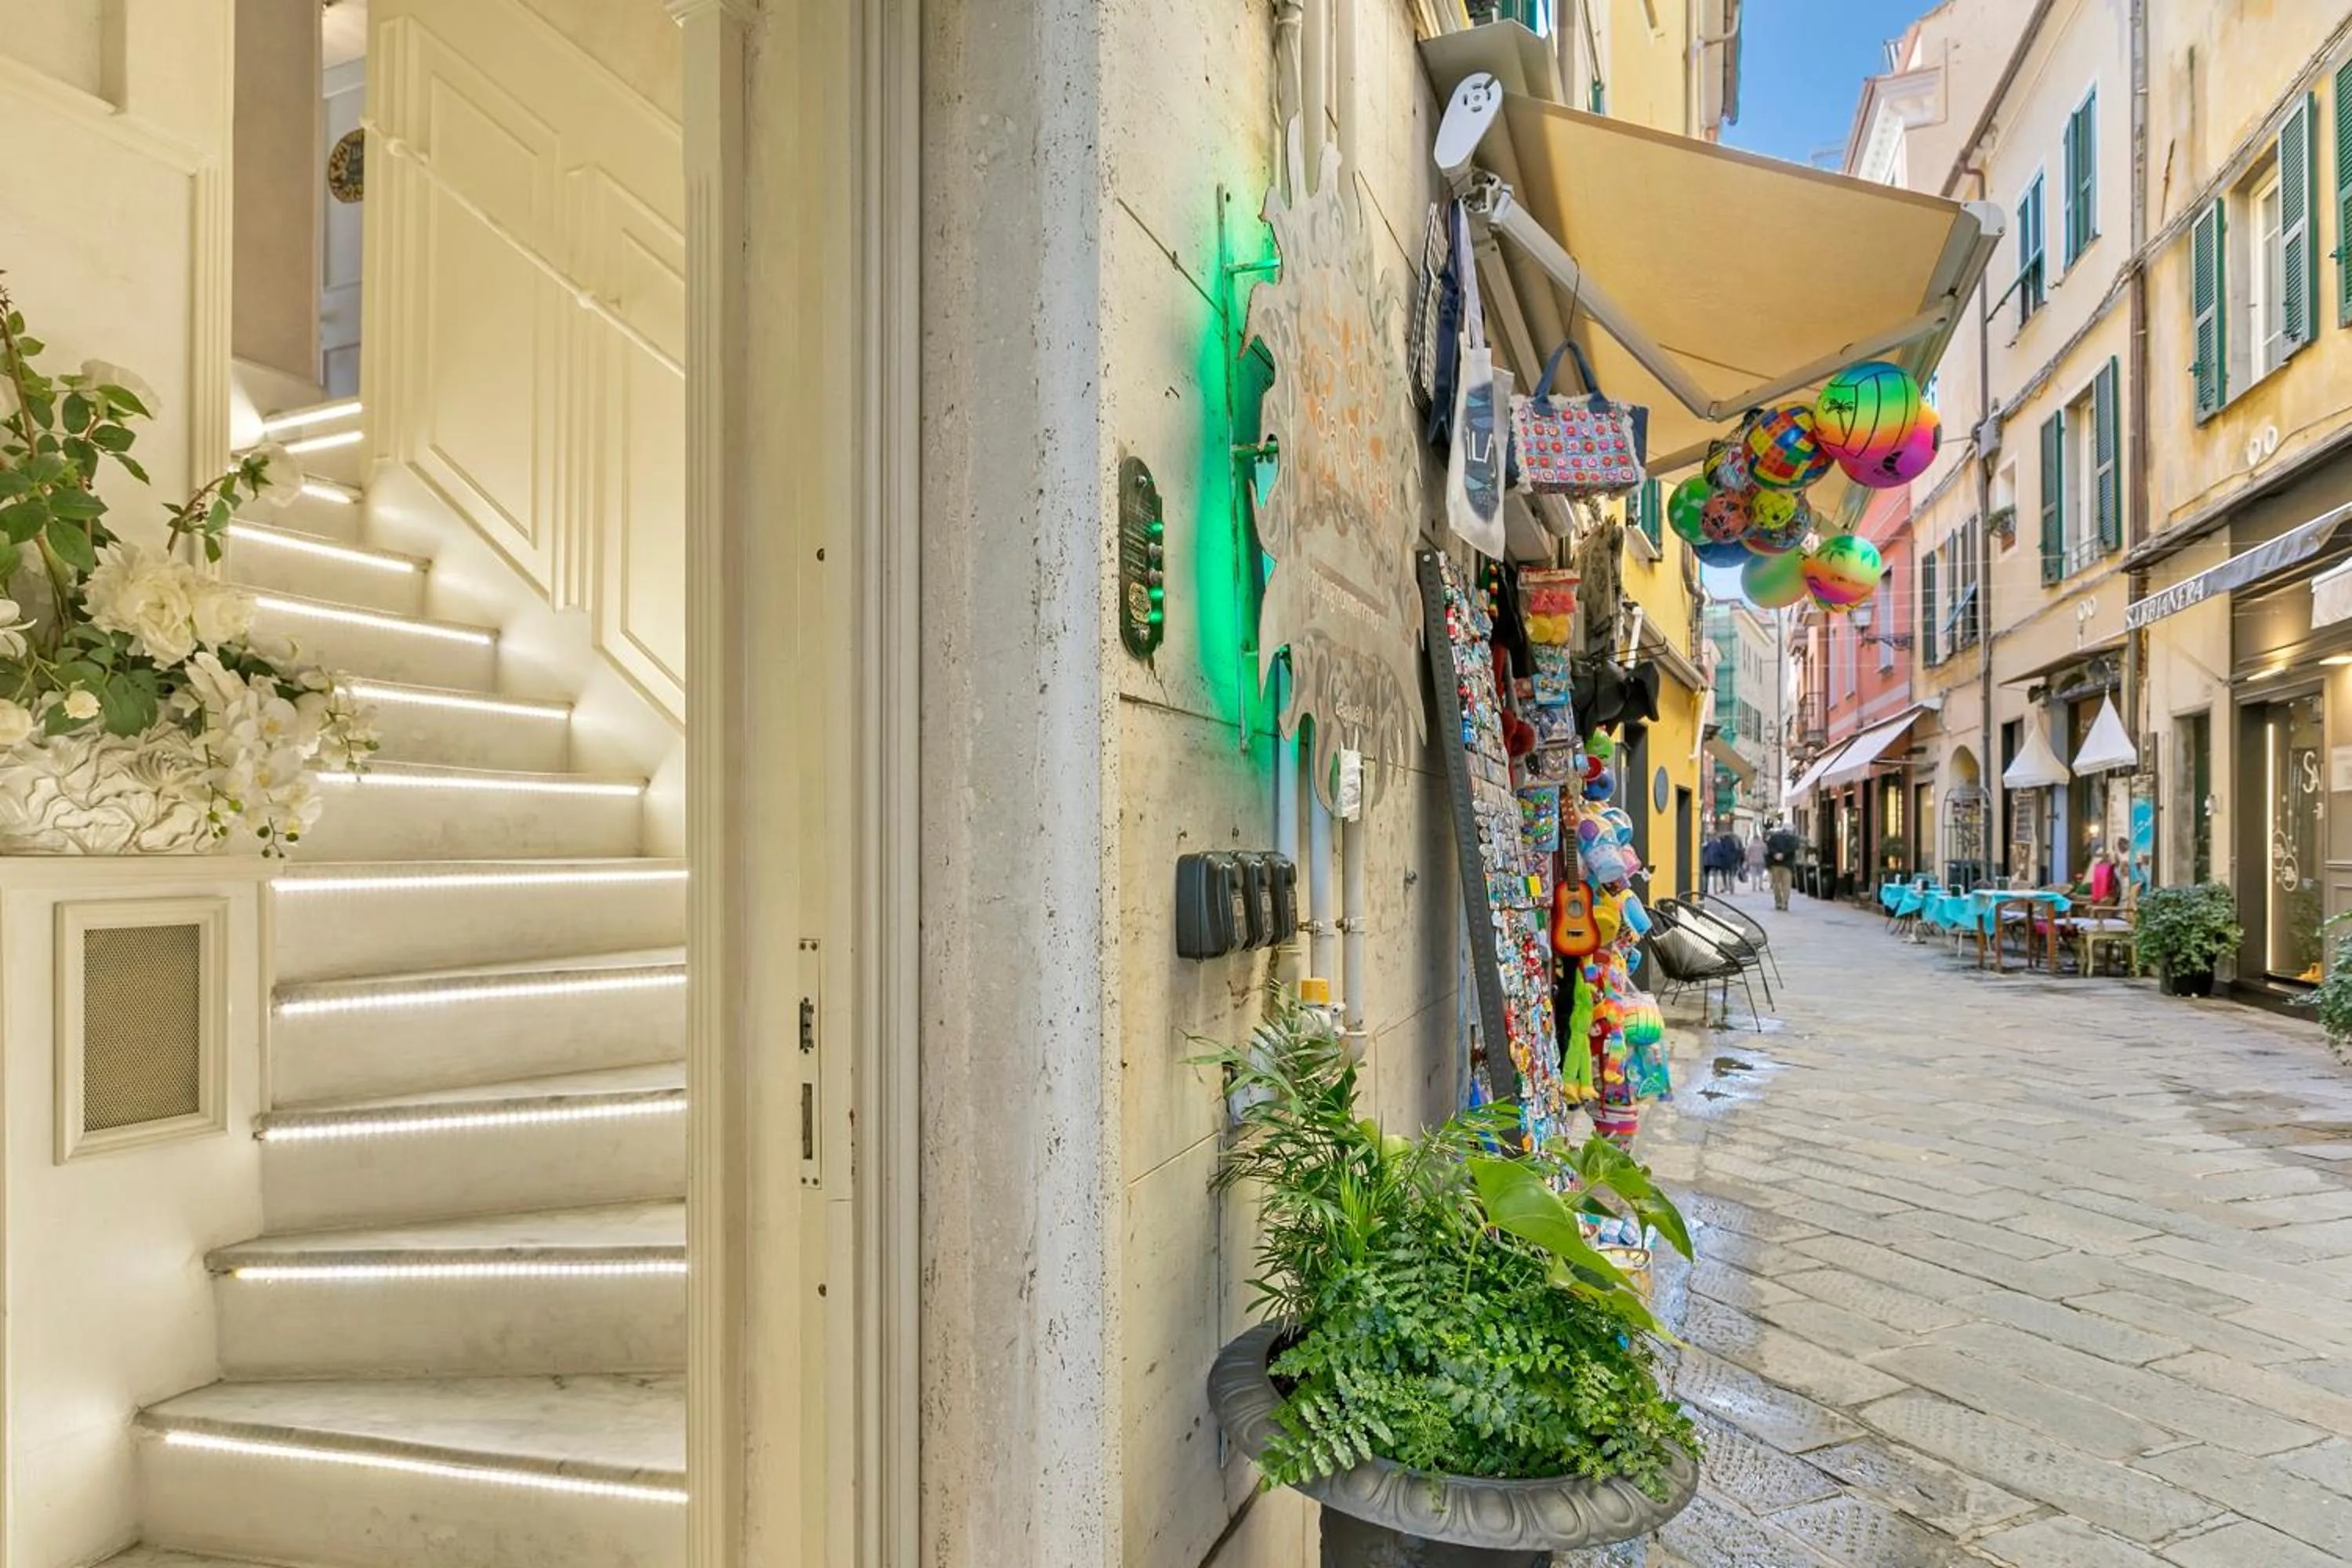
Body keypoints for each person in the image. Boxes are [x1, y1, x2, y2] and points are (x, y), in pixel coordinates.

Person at [1764, 821, 1800, 911]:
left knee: (1776, 884)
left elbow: (1769, 847)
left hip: (1775, 864)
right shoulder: (1793, 838)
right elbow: (1794, 848)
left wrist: (1775, 854)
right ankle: (1785, 903)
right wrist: (1784, 854)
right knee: (1786, 885)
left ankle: (1778, 902)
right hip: (1787, 865)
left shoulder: (1774, 837)